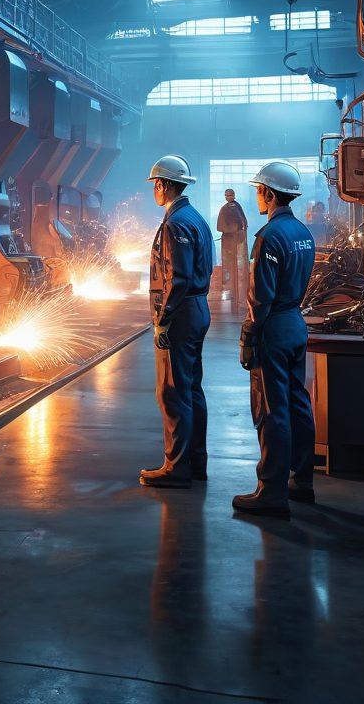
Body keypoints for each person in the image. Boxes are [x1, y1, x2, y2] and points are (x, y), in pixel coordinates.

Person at [234, 160, 316, 518]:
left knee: (271, 410)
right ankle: (303, 480)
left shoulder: (269, 236)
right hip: (296, 324)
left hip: (274, 329)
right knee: (299, 404)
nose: (256, 197)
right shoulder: (303, 232)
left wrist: (248, 336)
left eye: (257, 191)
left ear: (268, 193)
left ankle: (271, 490)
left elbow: (260, 296)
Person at [142, 155, 214, 489]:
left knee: (172, 391)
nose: (154, 190)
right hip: (197, 309)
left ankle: (177, 467)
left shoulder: (175, 223)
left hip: (181, 313)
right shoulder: (195, 218)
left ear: (167, 185)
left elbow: (179, 277)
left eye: (156, 184)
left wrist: (163, 321)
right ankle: (196, 462)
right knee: (192, 389)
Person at [216, 188, 249, 308]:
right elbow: (220, 226)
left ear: (234, 195)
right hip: (228, 245)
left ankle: (240, 300)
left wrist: (240, 234)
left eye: (230, 195)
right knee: (228, 271)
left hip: (238, 243)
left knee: (240, 270)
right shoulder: (224, 209)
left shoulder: (237, 206)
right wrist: (233, 229)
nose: (229, 197)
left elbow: (244, 223)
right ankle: (229, 300)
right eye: (227, 195)